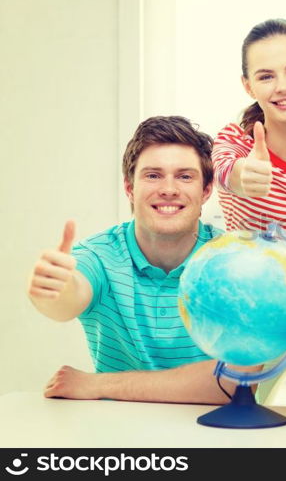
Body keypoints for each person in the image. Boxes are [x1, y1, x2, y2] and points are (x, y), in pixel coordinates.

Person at [27, 116, 245, 404]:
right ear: (130, 188)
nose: (169, 189)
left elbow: (233, 384)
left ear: (206, 191)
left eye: (185, 176)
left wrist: (98, 385)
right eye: (153, 175)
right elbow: (68, 297)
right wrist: (53, 290)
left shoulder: (234, 261)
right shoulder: (99, 255)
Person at [212, 19, 286, 266]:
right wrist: (242, 176)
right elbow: (222, 170)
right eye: (266, 77)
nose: (283, 87)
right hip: (255, 302)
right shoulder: (237, 143)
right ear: (248, 87)